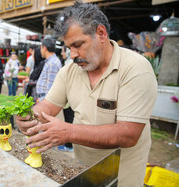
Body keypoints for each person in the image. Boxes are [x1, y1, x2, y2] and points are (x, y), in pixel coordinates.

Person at [15, 2, 157, 187]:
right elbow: (49, 105)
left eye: (78, 44)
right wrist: (30, 116)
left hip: (121, 175)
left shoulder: (135, 69)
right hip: (83, 169)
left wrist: (67, 132)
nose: (72, 55)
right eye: (68, 47)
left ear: (101, 33)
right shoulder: (69, 71)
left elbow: (128, 134)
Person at [36, 38, 61, 102]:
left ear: (44, 48)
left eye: (41, 48)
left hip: (45, 100)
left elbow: (51, 87)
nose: (40, 51)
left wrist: (42, 100)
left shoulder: (52, 63)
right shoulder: (51, 61)